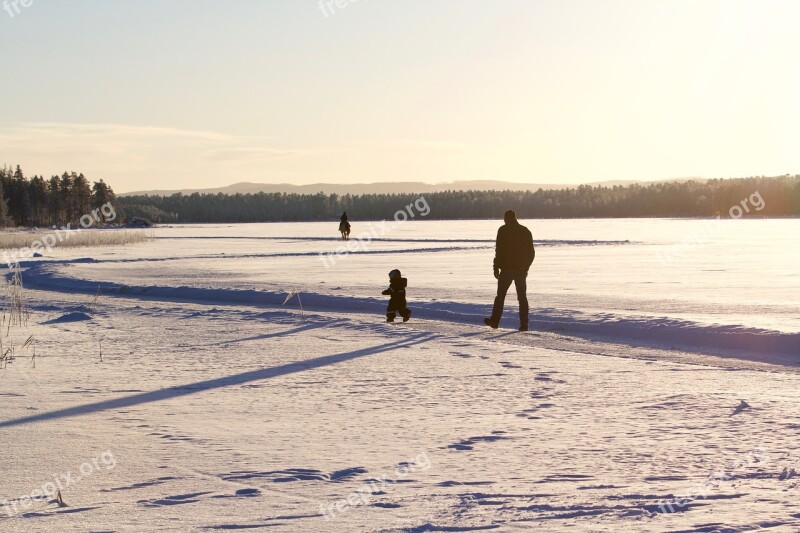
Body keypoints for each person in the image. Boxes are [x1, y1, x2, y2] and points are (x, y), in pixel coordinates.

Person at [484, 210, 535, 331]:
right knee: (522, 297)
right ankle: (524, 325)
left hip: (507, 269)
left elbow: (499, 250)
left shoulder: (503, 230)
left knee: (500, 296)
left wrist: (496, 267)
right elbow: (531, 252)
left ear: (506, 218)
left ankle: (495, 321)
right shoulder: (525, 231)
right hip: (520, 270)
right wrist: (526, 267)